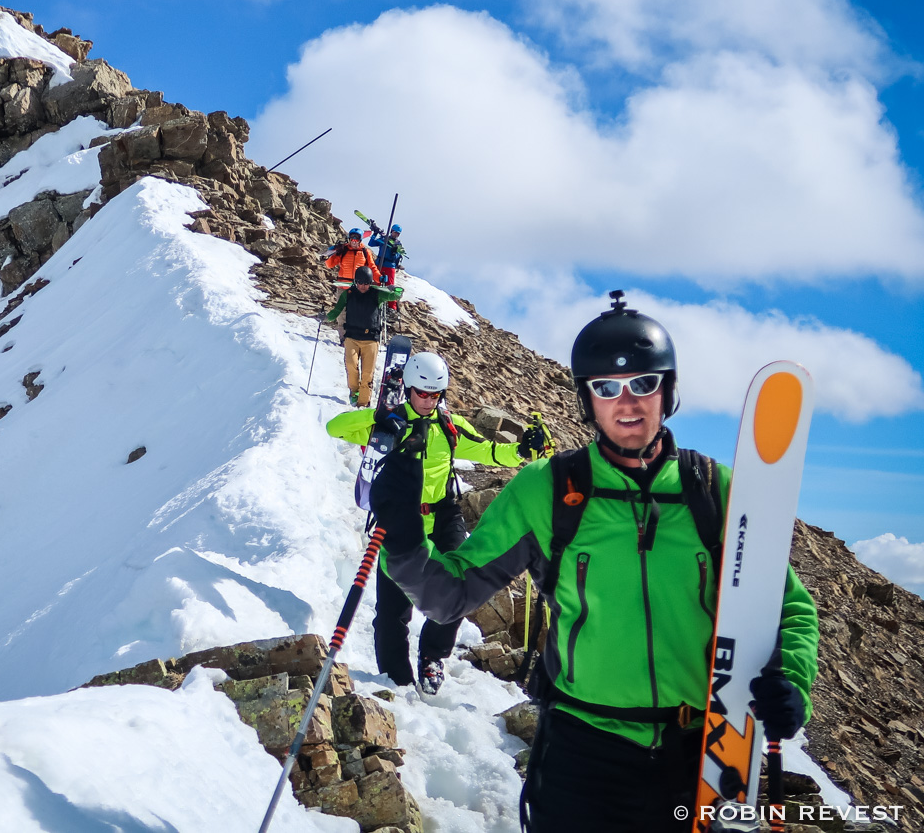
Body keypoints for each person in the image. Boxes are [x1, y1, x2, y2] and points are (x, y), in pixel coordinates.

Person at [370, 294, 819, 832]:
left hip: (698, 756)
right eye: (606, 387)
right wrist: (404, 542)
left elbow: (788, 607)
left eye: (643, 383)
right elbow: (448, 597)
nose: (627, 403)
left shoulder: (716, 494)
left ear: (668, 391)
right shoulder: (550, 492)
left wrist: (791, 679)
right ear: (587, 399)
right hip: (581, 759)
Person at [326, 350, 540, 692]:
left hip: (443, 515)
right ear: (409, 388)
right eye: (422, 393)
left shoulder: (448, 426)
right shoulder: (388, 423)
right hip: (400, 519)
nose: (428, 401)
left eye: (435, 395)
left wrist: (522, 451)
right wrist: (380, 417)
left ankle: (432, 658)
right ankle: (396, 678)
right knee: (393, 610)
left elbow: (487, 451)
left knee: (458, 586)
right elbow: (334, 427)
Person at [323, 267, 398, 407]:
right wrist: (325, 318)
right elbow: (337, 310)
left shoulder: (377, 294)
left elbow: (395, 296)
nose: (363, 286)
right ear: (355, 282)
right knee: (351, 365)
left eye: (366, 283)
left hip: (371, 339)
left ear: (370, 282)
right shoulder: (348, 294)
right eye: (360, 282)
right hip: (352, 337)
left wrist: (395, 290)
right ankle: (354, 392)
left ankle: (363, 403)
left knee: (367, 374)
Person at [367, 223, 406, 288]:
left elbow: (398, 256)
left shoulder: (398, 245)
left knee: (390, 286)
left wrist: (394, 252)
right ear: (391, 231)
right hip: (379, 264)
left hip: (390, 266)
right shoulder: (384, 239)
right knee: (375, 282)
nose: (396, 235)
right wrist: (375, 233)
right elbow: (371, 243)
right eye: (395, 232)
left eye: (398, 234)